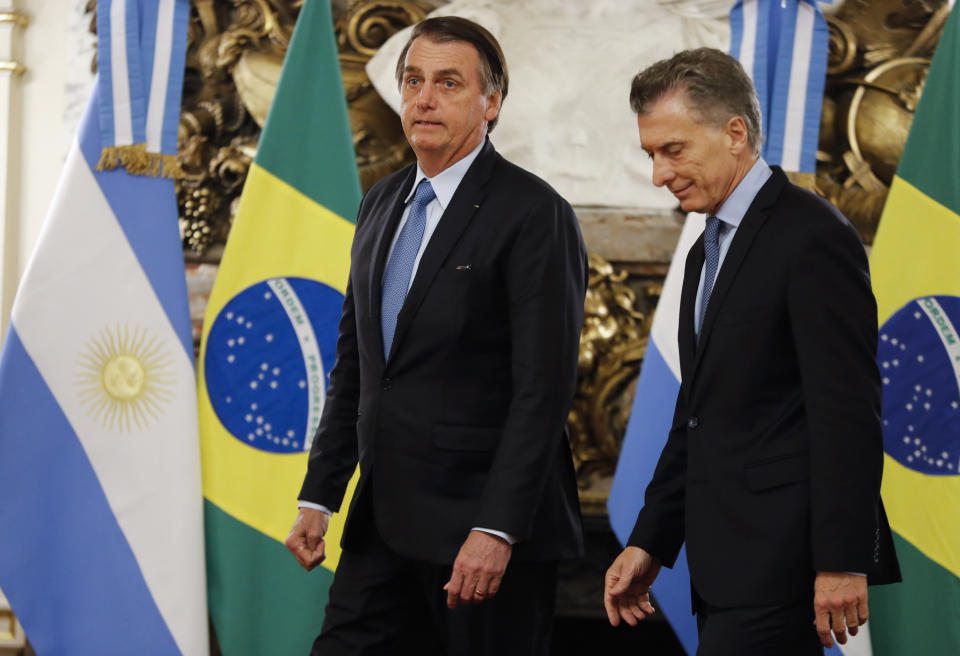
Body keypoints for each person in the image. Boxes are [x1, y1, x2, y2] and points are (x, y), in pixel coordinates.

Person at [284, 16, 586, 656]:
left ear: (491, 102)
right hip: (380, 529)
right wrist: (320, 496)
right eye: (413, 80)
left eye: (448, 83)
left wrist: (497, 529)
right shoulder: (380, 201)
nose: (423, 98)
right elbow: (358, 365)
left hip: (481, 540)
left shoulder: (534, 213)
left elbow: (544, 390)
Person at [603, 48, 901, 655]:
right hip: (723, 571)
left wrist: (843, 560)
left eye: (673, 150)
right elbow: (698, 412)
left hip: (787, 569)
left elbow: (846, 414)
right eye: (651, 154)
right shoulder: (705, 248)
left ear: (735, 133)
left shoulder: (813, 238)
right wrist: (649, 542)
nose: (658, 174)